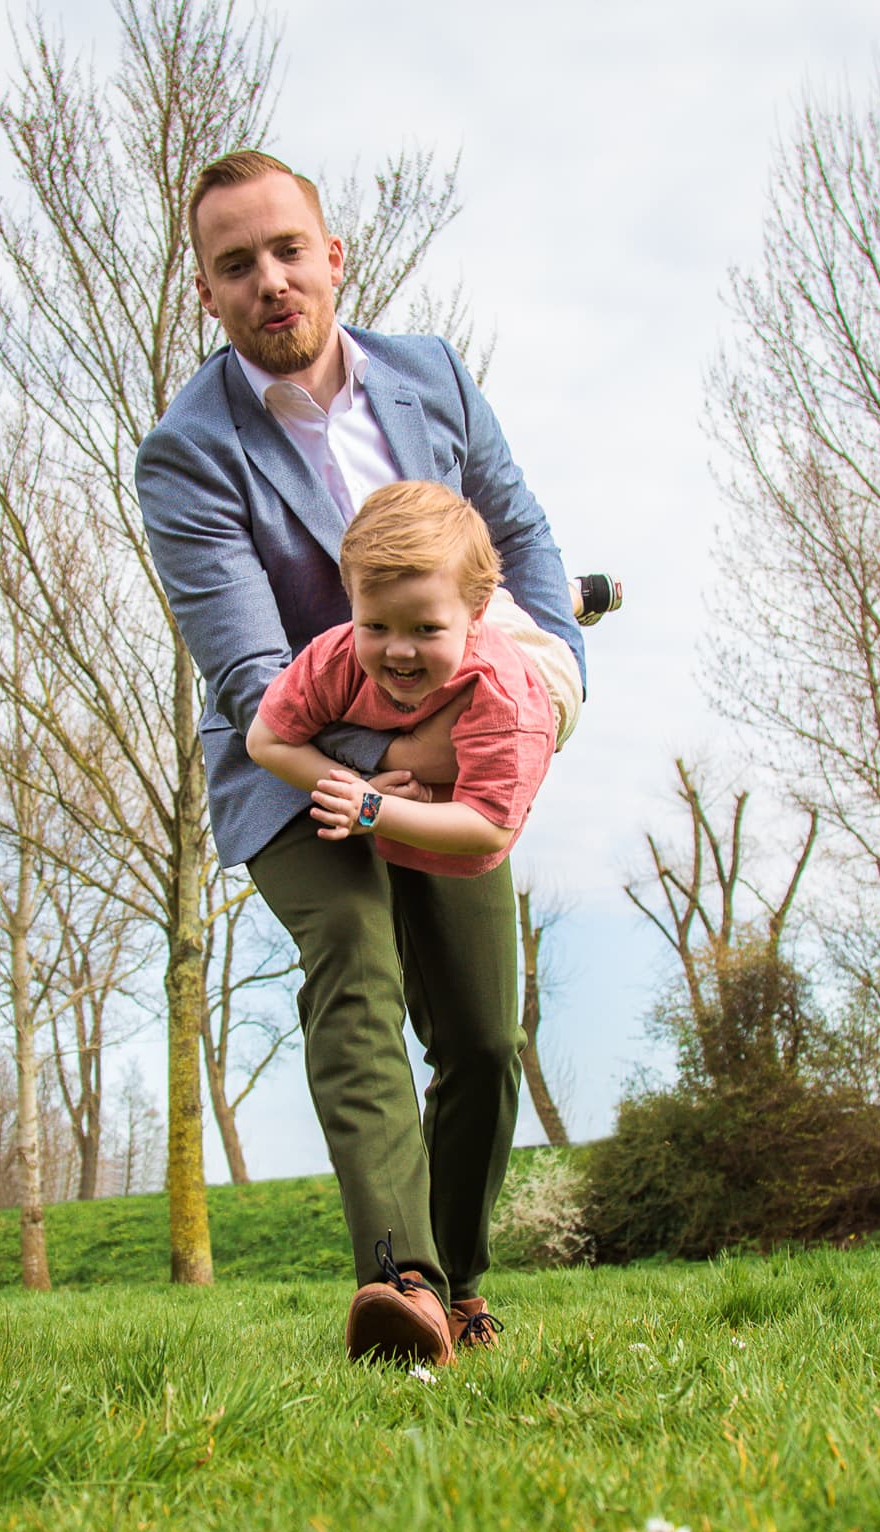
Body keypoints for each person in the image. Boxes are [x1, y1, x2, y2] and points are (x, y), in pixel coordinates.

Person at [137, 148, 588, 1367]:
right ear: (207, 291)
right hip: (289, 764)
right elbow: (247, 682)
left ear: (332, 258)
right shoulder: (187, 454)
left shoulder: (432, 375)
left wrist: (550, 680)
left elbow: (523, 537)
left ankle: (466, 1280)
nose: (270, 281)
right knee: (356, 959)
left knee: (487, 1036)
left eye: (288, 251)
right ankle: (403, 1280)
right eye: (237, 265)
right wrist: (378, 769)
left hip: (455, 763)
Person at [245, 480, 575, 879]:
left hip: (545, 673)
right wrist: (360, 786)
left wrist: (372, 810)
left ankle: (571, 598)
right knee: (447, 609)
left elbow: (489, 828)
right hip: (464, 639)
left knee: (516, 622)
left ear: (474, 616)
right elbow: (266, 739)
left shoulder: (508, 704)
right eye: (377, 625)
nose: (399, 650)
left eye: (425, 629)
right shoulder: (337, 655)